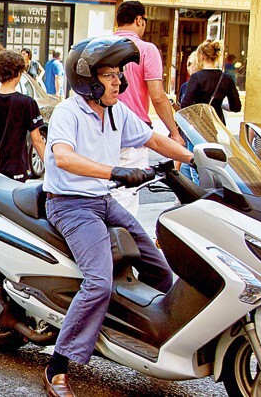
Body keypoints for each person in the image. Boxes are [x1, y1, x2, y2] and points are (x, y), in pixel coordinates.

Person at [41, 36, 193, 397]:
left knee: (158, 265)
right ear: (88, 79)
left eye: (118, 74)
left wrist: (197, 158)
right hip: (70, 204)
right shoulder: (68, 112)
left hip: (102, 201)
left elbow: (154, 141)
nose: (118, 82)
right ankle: (58, 364)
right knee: (99, 281)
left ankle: (152, 338)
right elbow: (63, 157)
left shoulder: (117, 111)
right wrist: (114, 172)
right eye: (109, 75)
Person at [111, 1, 183, 217]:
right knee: (127, 190)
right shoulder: (145, 49)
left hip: (100, 126)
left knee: (102, 185)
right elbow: (158, 97)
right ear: (139, 20)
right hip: (133, 131)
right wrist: (174, 131)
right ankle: (122, 241)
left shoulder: (101, 44)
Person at [0, 50, 45, 181]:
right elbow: (37, 141)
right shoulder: (27, 103)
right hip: (17, 168)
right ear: (17, 73)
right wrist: (53, 167)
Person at [181, 40, 242, 124]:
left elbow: (185, 105)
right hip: (218, 122)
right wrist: (219, 104)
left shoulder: (196, 77)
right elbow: (236, 107)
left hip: (199, 124)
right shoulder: (226, 78)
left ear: (201, 56)